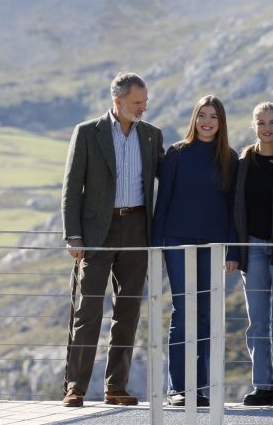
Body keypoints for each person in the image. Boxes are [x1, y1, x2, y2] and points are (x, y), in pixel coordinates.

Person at [61, 72, 164, 408]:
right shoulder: (87, 133)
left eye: (145, 102)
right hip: (95, 234)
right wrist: (73, 235)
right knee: (87, 310)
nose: (143, 108)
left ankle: (115, 387)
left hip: (137, 229)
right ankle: (75, 387)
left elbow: (172, 178)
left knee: (128, 312)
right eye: (137, 103)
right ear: (117, 101)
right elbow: (71, 188)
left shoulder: (151, 136)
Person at [151, 94, 241, 407]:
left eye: (213, 117)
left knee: (204, 314)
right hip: (177, 242)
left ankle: (199, 388)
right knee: (183, 311)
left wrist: (232, 251)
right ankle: (178, 388)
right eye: (202, 115)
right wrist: (156, 245)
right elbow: (163, 202)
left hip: (213, 245)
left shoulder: (230, 158)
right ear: (194, 118)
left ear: (221, 122)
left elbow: (233, 210)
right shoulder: (176, 153)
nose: (207, 122)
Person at [232, 102, 273, 406]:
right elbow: (234, 208)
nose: (267, 128)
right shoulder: (244, 160)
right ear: (253, 125)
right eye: (261, 122)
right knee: (257, 320)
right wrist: (235, 250)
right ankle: (262, 386)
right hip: (253, 247)